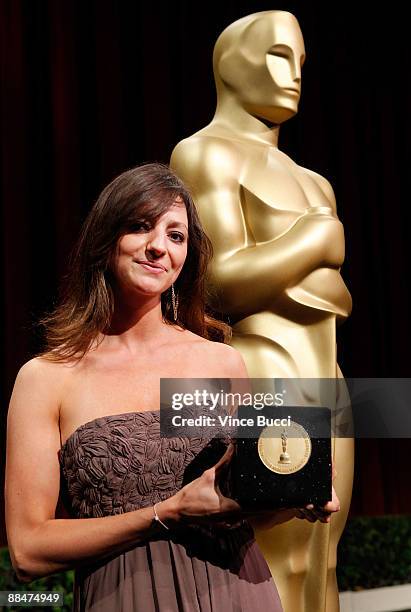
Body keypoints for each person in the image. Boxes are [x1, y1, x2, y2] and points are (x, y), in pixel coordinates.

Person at [5, 162, 339, 612]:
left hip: (237, 592)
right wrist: (166, 514)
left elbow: (238, 505)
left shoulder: (219, 361)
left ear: (188, 258)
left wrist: (297, 492)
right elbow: (28, 550)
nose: (158, 247)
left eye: (176, 235)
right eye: (141, 227)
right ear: (106, 242)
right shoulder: (48, 377)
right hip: (124, 597)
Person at [170, 10, 353, 612]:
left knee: (323, 562)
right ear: (230, 63)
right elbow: (216, 283)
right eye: (278, 55)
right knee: (275, 563)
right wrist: (315, 242)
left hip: (328, 382)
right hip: (266, 373)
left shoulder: (314, 183)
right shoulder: (205, 154)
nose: (293, 73)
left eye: (300, 60)